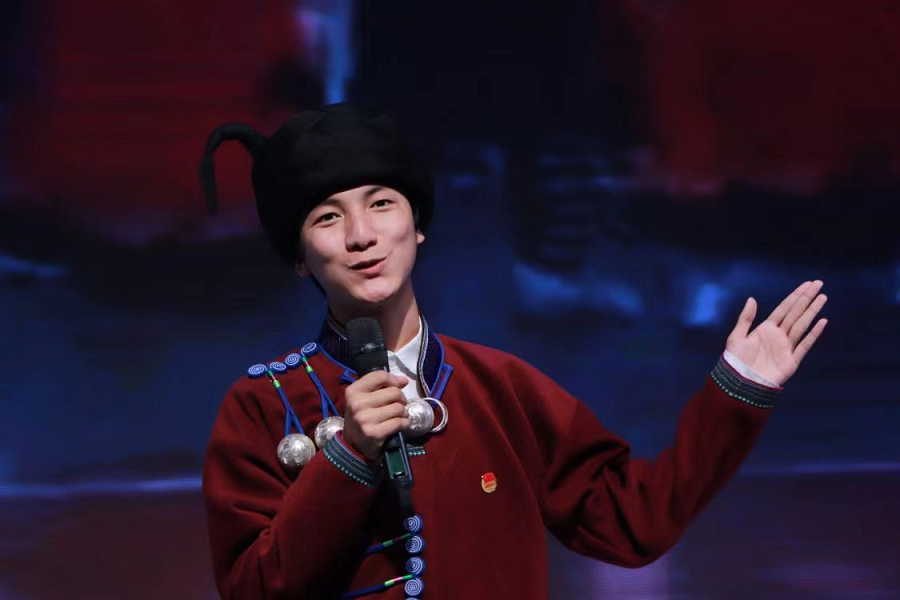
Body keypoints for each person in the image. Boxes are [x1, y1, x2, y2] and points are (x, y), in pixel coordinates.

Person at [199, 104, 828, 600]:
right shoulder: (263, 406)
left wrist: (739, 388)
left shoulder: (501, 388)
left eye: (381, 203)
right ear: (299, 258)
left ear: (418, 225)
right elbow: (253, 588)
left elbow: (634, 523)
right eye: (328, 218)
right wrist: (347, 457)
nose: (362, 235)